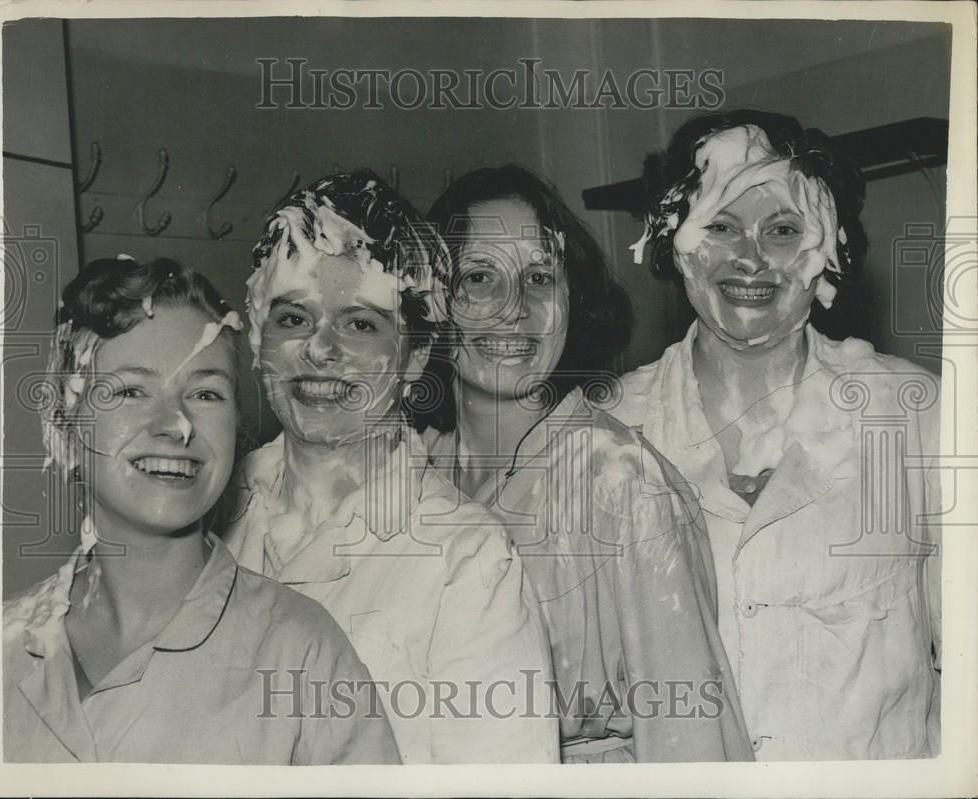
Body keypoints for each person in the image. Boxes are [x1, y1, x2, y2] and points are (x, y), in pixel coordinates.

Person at [614, 110, 941, 760]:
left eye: (783, 229)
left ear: (829, 249)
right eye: (721, 226)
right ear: (673, 239)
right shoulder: (608, 432)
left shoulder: (915, 415)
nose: (751, 258)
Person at [217, 172, 559, 764]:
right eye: (293, 319)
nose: (320, 351)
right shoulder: (203, 510)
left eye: (360, 324)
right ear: (256, 335)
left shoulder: (466, 561)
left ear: (414, 354)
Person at [3, 256, 399, 764]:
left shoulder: (304, 653)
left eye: (206, 393)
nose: (177, 424)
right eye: (130, 390)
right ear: (64, 420)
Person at [420, 165, 752, 762]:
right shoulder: (417, 476)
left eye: (540, 278)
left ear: (571, 297)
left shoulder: (621, 483)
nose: (514, 308)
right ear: (431, 303)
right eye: (478, 278)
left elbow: (693, 743)